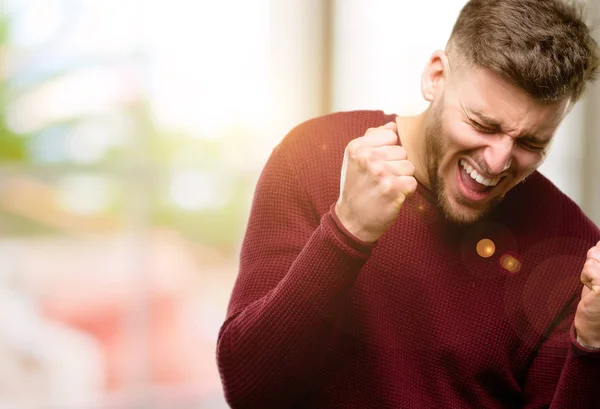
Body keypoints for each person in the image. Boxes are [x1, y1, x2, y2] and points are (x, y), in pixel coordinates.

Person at [217, 0, 600, 407]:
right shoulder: (311, 157)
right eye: (482, 124)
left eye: (530, 143)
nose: (497, 162)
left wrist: (592, 344)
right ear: (436, 76)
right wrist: (347, 232)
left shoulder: (571, 250)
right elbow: (249, 390)